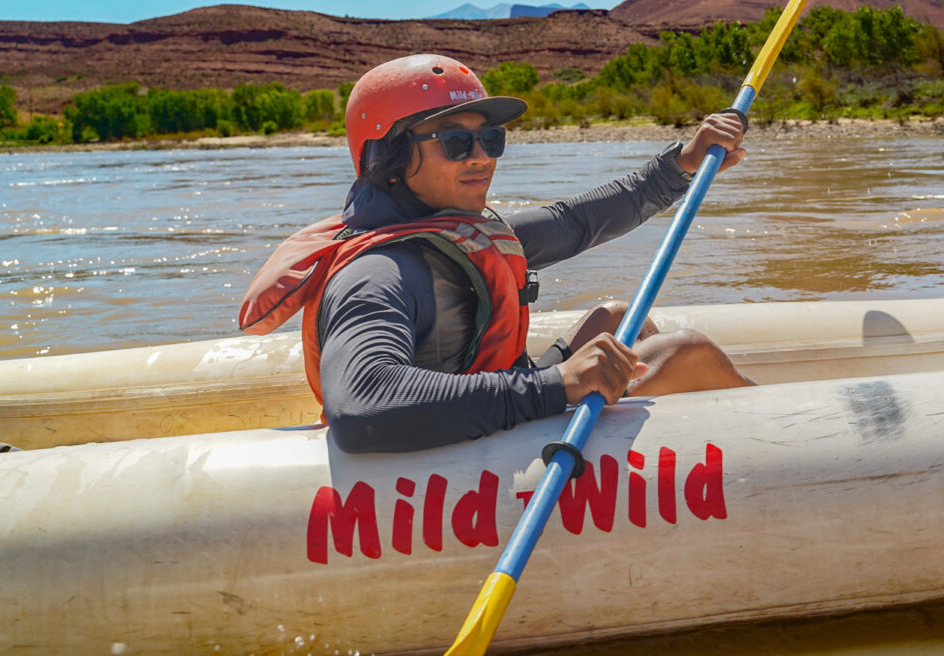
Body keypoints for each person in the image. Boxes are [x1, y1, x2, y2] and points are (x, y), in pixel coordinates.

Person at [239, 54, 753, 453]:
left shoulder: (455, 229)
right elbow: (362, 407)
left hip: (487, 403)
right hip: (439, 447)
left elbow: (575, 223)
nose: (482, 157)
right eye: (456, 143)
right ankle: (781, 436)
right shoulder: (379, 273)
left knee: (618, 320)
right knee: (687, 353)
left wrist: (679, 165)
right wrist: (557, 386)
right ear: (388, 158)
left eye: (490, 138)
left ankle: (700, 450)